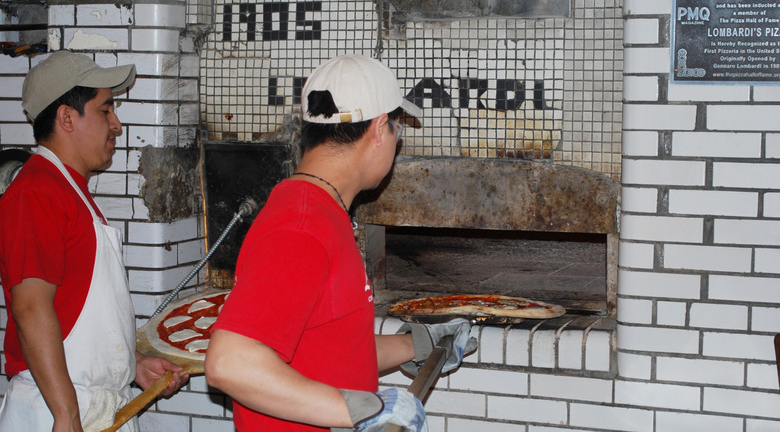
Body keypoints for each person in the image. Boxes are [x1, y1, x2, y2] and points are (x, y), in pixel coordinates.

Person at [205, 54, 477, 431]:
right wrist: (358, 409)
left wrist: (420, 343)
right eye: (398, 130)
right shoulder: (301, 227)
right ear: (380, 129)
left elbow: (329, 348)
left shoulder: (318, 210)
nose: (396, 145)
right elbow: (230, 363)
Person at [0, 50, 188, 432]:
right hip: (55, 411)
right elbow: (32, 309)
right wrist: (66, 414)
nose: (116, 125)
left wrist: (132, 365)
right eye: (106, 110)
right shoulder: (36, 191)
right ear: (67, 117)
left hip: (88, 406)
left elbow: (78, 310)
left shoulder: (71, 192)